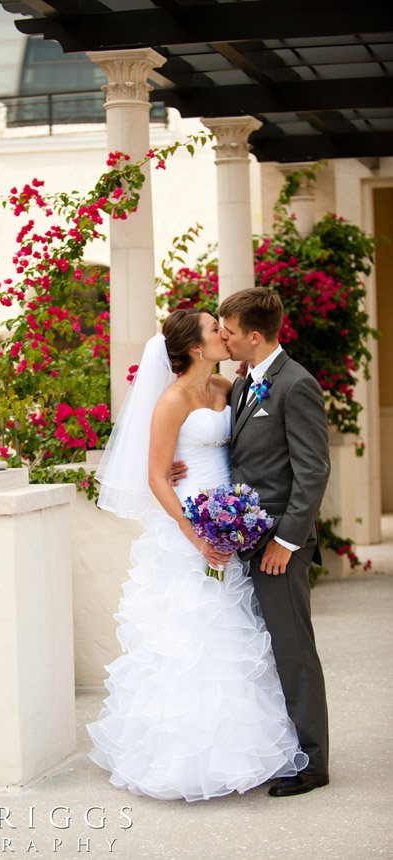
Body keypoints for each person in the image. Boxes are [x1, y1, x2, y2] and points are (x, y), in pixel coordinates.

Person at [86, 307, 309, 802]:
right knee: (191, 638)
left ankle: (246, 752)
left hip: (233, 518)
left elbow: (244, 444)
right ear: (193, 347)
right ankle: (186, 758)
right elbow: (155, 476)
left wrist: (234, 517)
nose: (223, 336)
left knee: (236, 634)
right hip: (192, 526)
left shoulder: (227, 389)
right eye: (215, 330)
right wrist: (195, 535)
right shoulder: (172, 399)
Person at [172, 288, 331, 797]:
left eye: (231, 331)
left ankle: (313, 763)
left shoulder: (295, 384)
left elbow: (312, 471)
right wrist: (183, 465)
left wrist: (286, 540)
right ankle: (284, 746)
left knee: (292, 648)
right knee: (265, 650)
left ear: (254, 337)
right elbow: (235, 450)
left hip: (279, 544)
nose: (224, 336)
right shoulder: (244, 382)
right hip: (246, 538)